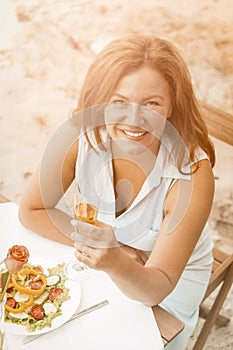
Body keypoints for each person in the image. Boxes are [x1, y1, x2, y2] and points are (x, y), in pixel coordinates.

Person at [19, 34, 215, 349]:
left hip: (167, 284)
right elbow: (32, 211)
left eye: (151, 103)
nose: (134, 120)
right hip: (105, 255)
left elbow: (156, 287)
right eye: (119, 102)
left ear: (170, 107)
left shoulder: (191, 175)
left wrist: (115, 262)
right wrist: (114, 251)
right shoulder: (78, 134)